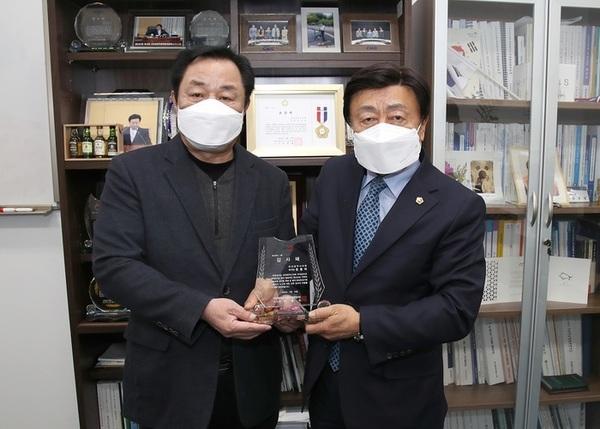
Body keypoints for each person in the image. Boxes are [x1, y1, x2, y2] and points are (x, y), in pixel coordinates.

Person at [93, 47, 295, 429]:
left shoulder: (271, 180)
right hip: (168, 381)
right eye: (197, 93)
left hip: (251, 384)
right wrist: (201, 307)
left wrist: (280, 298)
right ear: (175, 101)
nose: (211, 105)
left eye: (226, 95)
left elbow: (283, 260)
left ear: (245, 105)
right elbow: (114, 266)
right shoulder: (132, 172)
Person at [300, 64, 486, 429]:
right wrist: (279, 289)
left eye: (397, 117)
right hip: (327, 385)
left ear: (422, 126)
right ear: (351, 129)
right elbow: (308, 253)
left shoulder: (457, 205)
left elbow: (456, 309)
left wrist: (362, 323)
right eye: (368, 118)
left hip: (399, 398)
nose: (382, 127)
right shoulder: (334, 175)